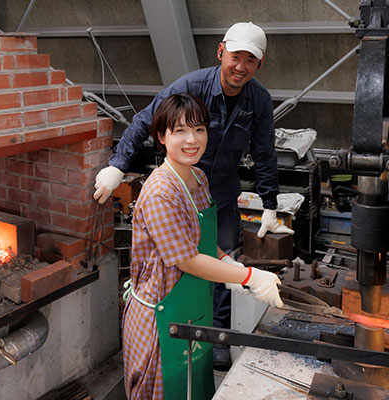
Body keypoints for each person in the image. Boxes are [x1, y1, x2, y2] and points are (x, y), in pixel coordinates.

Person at [96, 21, 292, 368]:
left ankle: (215, 336)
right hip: (181, 184)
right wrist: (116, 166)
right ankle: (175, 326)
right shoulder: (192, 87)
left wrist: (270, 205)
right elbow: (146, 121)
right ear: (221, 52)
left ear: (259, 64)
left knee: (222, 263)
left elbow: (264, 152)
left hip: (218, 194)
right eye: (235, 56)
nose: (240, 66)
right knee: (187, 263)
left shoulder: (258, 99)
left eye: (250, 60)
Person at [121, 93, 283, 400]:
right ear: (161, 137)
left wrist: (230, 265)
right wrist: (248, 276)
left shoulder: (197, 177)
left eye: (199, 129)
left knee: (194, 389)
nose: (191, 140)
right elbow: (188, 260)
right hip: (160, 317)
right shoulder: (160, 192)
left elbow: (203, 243)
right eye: (180, 131)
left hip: (193, 311)